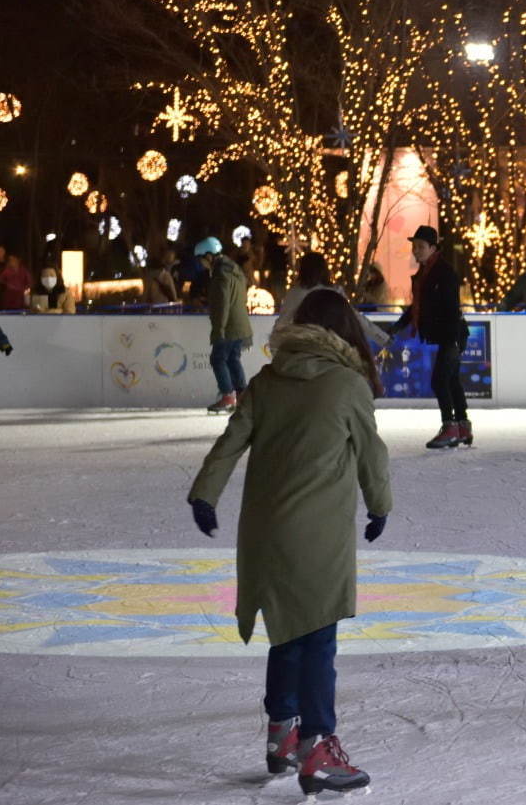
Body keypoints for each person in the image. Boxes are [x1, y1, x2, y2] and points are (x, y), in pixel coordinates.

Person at [187, 288, 390, 800]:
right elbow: (372, 456)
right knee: (317, 633)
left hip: (265, 531)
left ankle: (283, 732)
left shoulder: (267, 380)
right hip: (318, 531)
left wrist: (204, 495)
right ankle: (318, 745)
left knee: (286, 629)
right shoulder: (348, 385)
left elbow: (230, 441)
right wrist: (379, 506)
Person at [387, 225, 471, 449]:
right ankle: (462, 426)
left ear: (433, 248)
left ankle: (450, 427)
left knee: (439, 380)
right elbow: (417, 306)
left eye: (421, 246)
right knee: (451, 380)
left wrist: (453, 340)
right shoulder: (425, 273)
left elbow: (451, 308)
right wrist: (398, 326)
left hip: (451, 334)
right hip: (447, 334)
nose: (416, 250)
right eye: (414, 246)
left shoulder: (443, 273)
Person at [274, 252, 390, 351]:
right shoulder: (335, 292)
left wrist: (276, 350)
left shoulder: (295, 293)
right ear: (324, 270)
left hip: (305, 350)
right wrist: (383, 338)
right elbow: (356, 319)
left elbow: (281, 325)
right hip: (334, 349)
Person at [197, 237, 253, 415]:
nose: (201, 264)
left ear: (209, 255)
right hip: (240, 323)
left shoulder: (221, 274)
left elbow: (222, 304)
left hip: (228, 326)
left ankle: (228, 396)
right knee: (232, 359)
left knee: (218, 359)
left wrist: (218, 330)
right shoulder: (234, 269)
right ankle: (242, 397)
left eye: (201, 259)